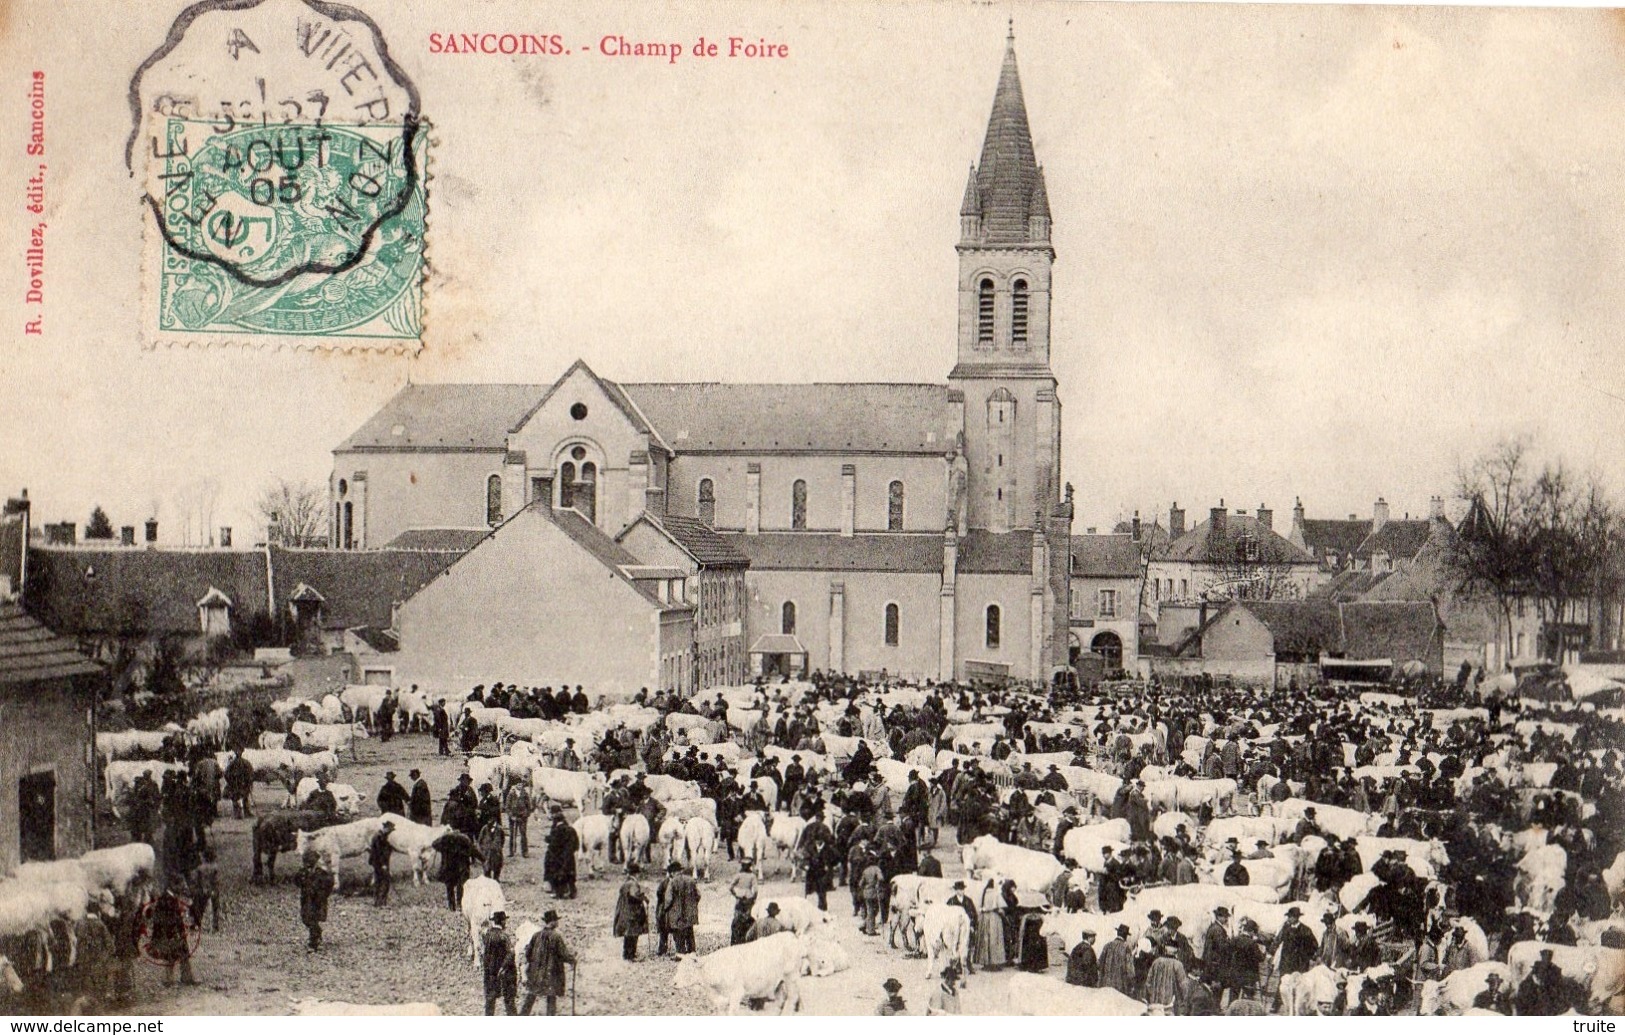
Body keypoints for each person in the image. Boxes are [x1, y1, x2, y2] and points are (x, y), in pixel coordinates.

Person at [522, 910, 575, 1016]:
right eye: (556, 920)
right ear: (553, 922)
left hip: (536, 974)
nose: (557, 923)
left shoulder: (536, 935)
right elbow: (563, 954)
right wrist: (572, 960)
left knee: (531, 997)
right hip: (551, 974)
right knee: (551, 999)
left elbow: (528, 953)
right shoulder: (556, 937)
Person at [148, 888, 197, 986]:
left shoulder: (169, 898)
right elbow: (161, 919)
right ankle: (175, 980)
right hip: (170, 932)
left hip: (173, 932)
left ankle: (180, 979)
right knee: (174, 956)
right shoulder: (166, 900)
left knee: (179, 955)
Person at [432, 829, 483, 910]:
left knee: (450, 887)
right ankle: (459, 904)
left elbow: (434, 844)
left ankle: (452, 906)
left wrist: (443, 841)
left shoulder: (446, 839)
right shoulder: (464, 840)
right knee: (460, 886)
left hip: (450, 867)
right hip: (459, 867)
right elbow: (474, 851)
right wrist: (483, 859)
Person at [481, 911, 519, 1015]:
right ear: (502, 921)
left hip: (489, 972)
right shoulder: (504, 936)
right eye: (504, 920)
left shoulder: (487, 935)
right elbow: (511, 953)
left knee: (490, 1001)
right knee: (509, 1001)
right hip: (504, 973)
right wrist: (503, 967)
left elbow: (483, 953)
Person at [298, 848, 333, 951]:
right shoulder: (303, 873)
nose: (307, 865)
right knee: (305, 919)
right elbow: (296, 882)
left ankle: (313, 943)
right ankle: (317, 934)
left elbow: (329, 885)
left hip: (318, 901)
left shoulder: (322, 874)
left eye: (309, 863)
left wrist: (323, 895)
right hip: (306, 899)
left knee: (312, 919)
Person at [662, 860, 701, 954]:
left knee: (678, 933)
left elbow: (668, 899)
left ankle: (681, 953)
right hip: (690, 912)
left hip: (676, 913)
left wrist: (665, 909)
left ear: (673, 872)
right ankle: (692, 952)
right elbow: (698, 895)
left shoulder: (672, 882)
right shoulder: (691, 880)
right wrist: (693, 904)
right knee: (689, 932)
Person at [614, 864, 650, 961]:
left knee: (628, 934)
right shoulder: (633, 884)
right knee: (633, 934)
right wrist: (643, 898)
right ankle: (631, 955)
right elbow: (634, 895)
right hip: (633, 912)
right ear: (636, 874)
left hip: (625, 910)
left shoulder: (626, 883)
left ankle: (626, 954)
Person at [544, 806, 580, 898]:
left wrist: (548, 839)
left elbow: (554, 845)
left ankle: (559, 892)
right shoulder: (571, 830)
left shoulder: (557, 831)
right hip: (569, 856)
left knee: (558, 873)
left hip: (559, 857)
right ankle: (572, 891)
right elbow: (576, 845)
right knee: (570, 874)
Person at [1145, 943, 1187, 1014]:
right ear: (1176, 952)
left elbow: (1148, 983)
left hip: (1154, 1003)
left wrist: (1151, 995)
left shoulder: (1156, 961)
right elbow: (1183, 986)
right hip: (1170, 1005)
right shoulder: (1178, 965)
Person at [1100, 924, 1135, 995]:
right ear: (1125, 936)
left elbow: (1100, 964)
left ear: (1117, 933)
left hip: (1106, 983)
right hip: (1120, 985)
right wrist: (1131, 984)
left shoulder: (1107, 945)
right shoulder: (1126, 948)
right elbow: (1130, 970)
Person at [730, 858, 759, 945]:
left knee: (737, 916)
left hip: (739, 896)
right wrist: (754, 898)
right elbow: (756, 890)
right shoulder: (752, 876)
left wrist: (735, 894)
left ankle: (736, 938)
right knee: (748, 917)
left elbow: (730, 887)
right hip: (749, 897)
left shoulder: (738, 875)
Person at [369, 820, 397, 906]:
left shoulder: (382, 837)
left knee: (380, 882)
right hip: (380, 863)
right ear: (385, 828)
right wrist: (383, 865)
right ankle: (380, 902)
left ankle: (379, 902)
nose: (390, 832)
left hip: (379, 863)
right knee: (384, 882)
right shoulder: (379, 838)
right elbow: (379, 852)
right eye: (389, 830)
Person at [504, 779, 533, 858]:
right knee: (512, 835)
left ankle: (525, 852)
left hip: (522, 817)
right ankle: (511, 851)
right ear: (515, 785)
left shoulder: (525, 794)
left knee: (523, 834)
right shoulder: (511, 794)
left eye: (521, 784)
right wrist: (511, 816)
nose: (520, 786)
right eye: (518, 784)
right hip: (513, 817)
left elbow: (529, 806)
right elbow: (507, 806)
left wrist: (526, 814)